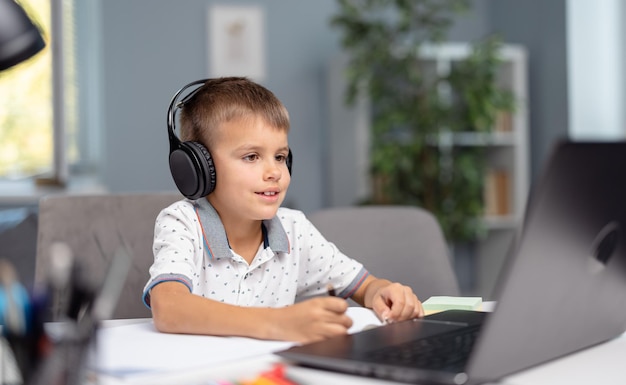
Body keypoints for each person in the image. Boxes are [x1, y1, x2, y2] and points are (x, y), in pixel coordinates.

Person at [143, 77, 423, 343]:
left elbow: (362, 285)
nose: (274, 172)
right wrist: (276, 322)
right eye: (251, 156)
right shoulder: (182, 223)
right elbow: (168, 307)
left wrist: (382, 291)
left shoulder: (293, 229)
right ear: (200, 169)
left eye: (280, 157)